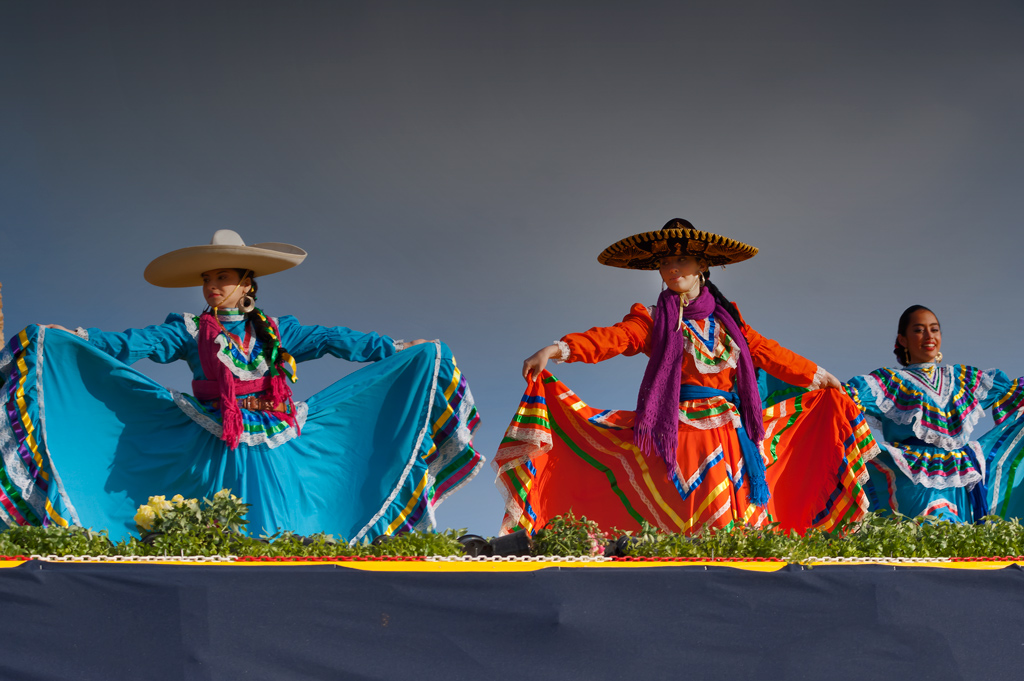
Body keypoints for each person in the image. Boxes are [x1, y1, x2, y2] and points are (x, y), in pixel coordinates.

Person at [0, 230, 483, 542]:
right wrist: (74, 339)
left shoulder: (277, 331)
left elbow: (336, 340)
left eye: (223, 278)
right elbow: (132, 344)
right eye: (208, 279)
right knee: (217, 524)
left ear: (246, 283)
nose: (212, 286)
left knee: (277, 523)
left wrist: (396, 347)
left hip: (273, 433)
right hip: (214, 436)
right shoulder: (190, 329)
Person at [494, 218, 879, 537]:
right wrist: (558, 350)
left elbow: (770, 354)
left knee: (736, 529)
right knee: (684, 529)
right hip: (680, 437)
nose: (672, 269)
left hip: (733, 438)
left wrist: (822, 378)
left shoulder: (730, 322)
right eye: (665, 263)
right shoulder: (652, 319)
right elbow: (613, 339)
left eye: (680, 260)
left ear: (702, 266)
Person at [845, 305, 1024, 522]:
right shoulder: (888, 382)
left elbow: (1010, 392)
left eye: (934, 329)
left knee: (957, 539)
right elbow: (843, 398)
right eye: (919, 330)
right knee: (922, 535)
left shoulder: (961, 378)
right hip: (910, 476)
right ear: (903, 340)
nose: (929, 336)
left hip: (959, 474)